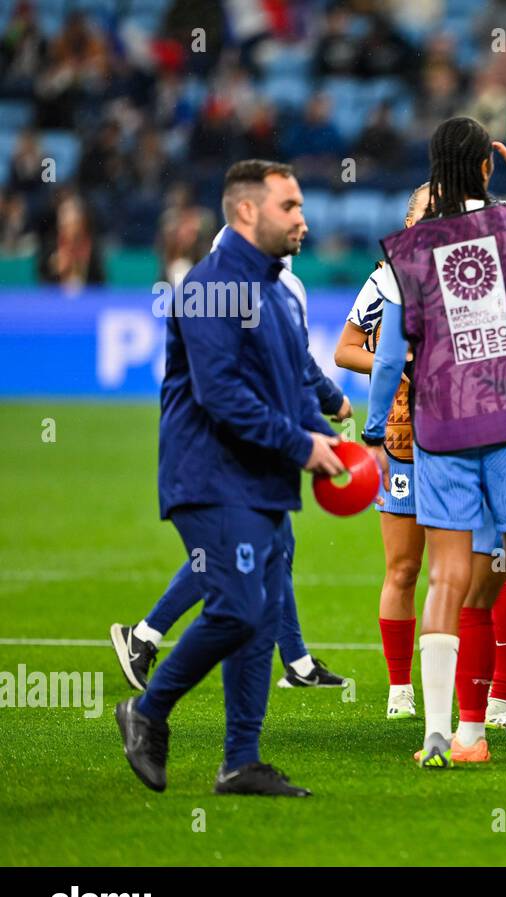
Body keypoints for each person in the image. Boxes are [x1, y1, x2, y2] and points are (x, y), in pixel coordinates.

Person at [363, 109, 506, 770]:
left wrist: (378, 429)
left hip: (443, 425)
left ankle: (438, 737)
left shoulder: (409, 249)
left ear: (433, 170)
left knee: (447, 576)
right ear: (487, 166)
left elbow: (388, 357)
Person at [114, 159, 346, 797]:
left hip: (260, 478)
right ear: (246, 211)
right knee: (240, 608)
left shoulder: (275, 293)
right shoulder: (210, 287)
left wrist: (326, 434)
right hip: (211, 475)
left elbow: (292, 383)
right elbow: (221, 396)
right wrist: (301, 444)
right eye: (290, 206)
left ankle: (240, 762)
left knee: (262, 613)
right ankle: (148, 708)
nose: (303, 219)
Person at [334, 183, 432, 720]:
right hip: (401, 435)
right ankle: (400, 687)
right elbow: (345, 349)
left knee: (472, 569)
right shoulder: (385, 279)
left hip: (464, 434)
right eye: (422, 213)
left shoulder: (474, 275)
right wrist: (396, 365)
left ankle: (486, 690)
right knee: (403, 568)